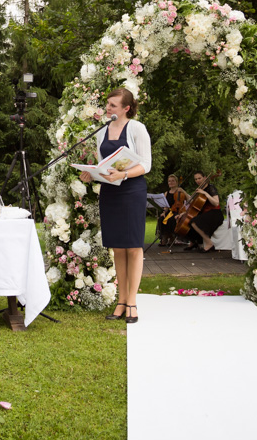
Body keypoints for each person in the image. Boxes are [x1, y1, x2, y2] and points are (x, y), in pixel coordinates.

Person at [79, 88, 151, 324]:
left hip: (132, 191)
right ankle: (120, 301)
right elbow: (104, 165)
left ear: (126, 108)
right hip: (110, 192)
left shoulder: (137, 128)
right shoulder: (103, 131)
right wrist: (93, 174)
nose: (108, 109)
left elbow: (146, 165)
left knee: (133, 246)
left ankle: (132, 301)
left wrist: (124, 174)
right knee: (118, 248)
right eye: (107, 104)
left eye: (113, 105)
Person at [181, 171, 224, 253]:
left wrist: (205, 193)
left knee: (194, 222)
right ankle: (194, 242)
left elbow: (216, 202)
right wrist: (185, 213)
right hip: (205, 213)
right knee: (185, 221)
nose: (198, 180)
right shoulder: (199, 190)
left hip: (215, 213)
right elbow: (195, 205)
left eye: (199, 178)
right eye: (196, 179)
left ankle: (209, 243)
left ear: (205, 178)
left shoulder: (211, 188)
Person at [159, 174, 188, 246]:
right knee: (161, 218)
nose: (171, 182)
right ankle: (164, 237)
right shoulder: (166, 193)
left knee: (171, 219)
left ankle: (172, 237)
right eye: (169, 181)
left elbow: (190, 199)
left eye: (173, 181)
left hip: (179, 212)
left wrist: (183, 191)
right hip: (169, 211)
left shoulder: (180, 192)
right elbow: (165, 206)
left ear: (177, 182)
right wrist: (164, 212)